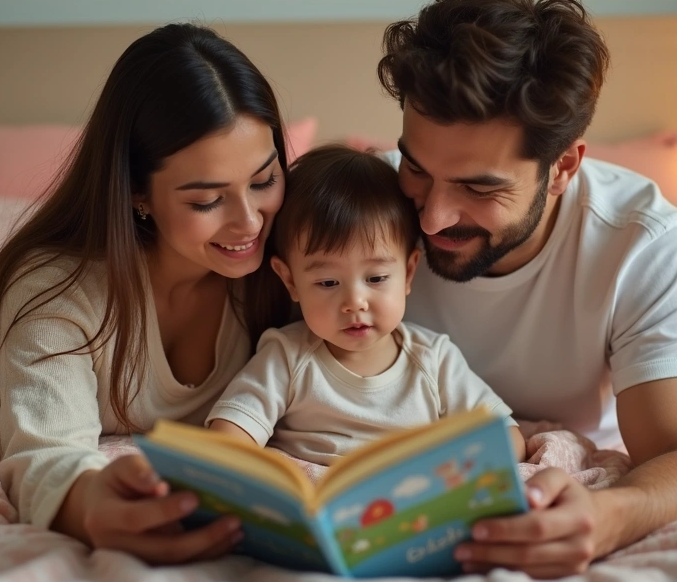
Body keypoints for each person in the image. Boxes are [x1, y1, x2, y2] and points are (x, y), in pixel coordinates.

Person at [0, 23, 298, 563]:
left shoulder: (286, 264)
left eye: (264, 181)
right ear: (136, 193)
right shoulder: (56, 292)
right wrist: (87, 503)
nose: (249, 222)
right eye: (206, 200)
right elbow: (45, 454)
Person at [377, 0, 677, 578]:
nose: (430, 217)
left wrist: (607, 516)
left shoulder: (643, 243)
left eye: (479, 187)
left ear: (562, 166)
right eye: (416, 166)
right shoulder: (361, 209)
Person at [205, 145, 525, 463]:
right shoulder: (286, 357)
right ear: (290, 281)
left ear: (409, 272)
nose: (355, 303)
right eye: (328, 283)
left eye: (376, 279)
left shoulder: (435, 361)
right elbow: (231, 435)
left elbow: (507, 437)